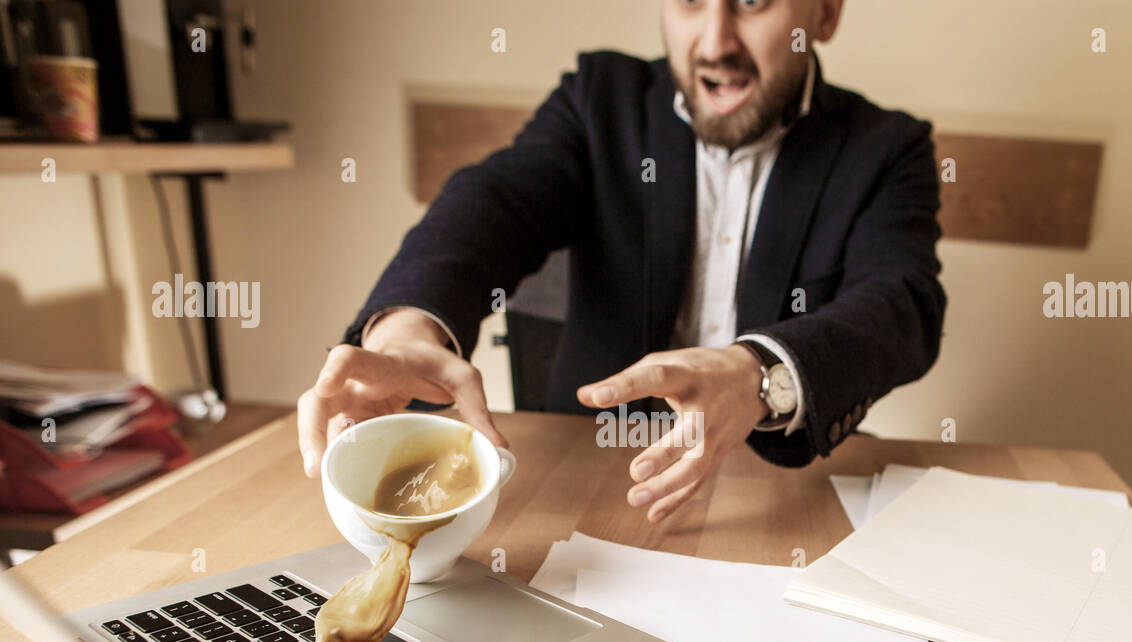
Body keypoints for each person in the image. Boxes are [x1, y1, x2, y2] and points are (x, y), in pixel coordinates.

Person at [298, 0, 945, 522]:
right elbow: (494, 201)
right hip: (587, 496)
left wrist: (756, 375)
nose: (716, 41)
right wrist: (406, 326)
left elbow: (902, 305)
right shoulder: (597, 101)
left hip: (777, 504)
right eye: (691, 1)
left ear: (825, 15)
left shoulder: (887, 150)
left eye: (752, 2)